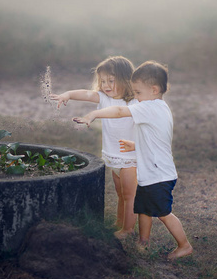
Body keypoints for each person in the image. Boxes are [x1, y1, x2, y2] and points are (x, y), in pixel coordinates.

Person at [73, 61, 193, 260]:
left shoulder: (150, 107)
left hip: (159, 175)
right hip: (149, 172)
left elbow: (120, 112)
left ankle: (184, 245)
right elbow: (157, 139)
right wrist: (135, 145)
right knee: (143, 209)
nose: (135, 97)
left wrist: (93, 114)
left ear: (154, 90)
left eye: (137, 92)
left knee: (163, 213)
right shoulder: (156, 107)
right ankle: (142, 242)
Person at [50, 56, 138, 239]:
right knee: (120, 194)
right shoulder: (104, 98)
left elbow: (129, 116)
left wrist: (93, 115)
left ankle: (128, 229)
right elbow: (86, 93)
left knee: (130, 196)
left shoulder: (135, 102)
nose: (106, 85)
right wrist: (67, 94)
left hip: (131, 158)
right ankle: (119, 222)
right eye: (103, 81)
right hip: (113, 156)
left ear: (126, 79)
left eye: (111, 80)